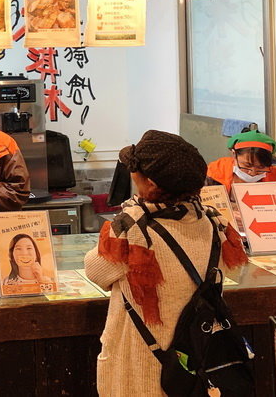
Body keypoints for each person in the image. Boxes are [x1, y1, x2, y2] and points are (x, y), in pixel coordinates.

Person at [84, 130, 247, 397]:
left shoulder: (132, 227)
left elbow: (97, 270)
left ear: (149, 183)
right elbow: (233, 269)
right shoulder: (213, 221)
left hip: (142, 365)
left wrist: (132, 209)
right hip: (197, 359)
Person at [206, 129, 276, 227]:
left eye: (261, 167)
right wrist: (224, 216)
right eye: (246, 166)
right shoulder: (212, 173)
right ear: (234, 155)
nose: (252, 172)